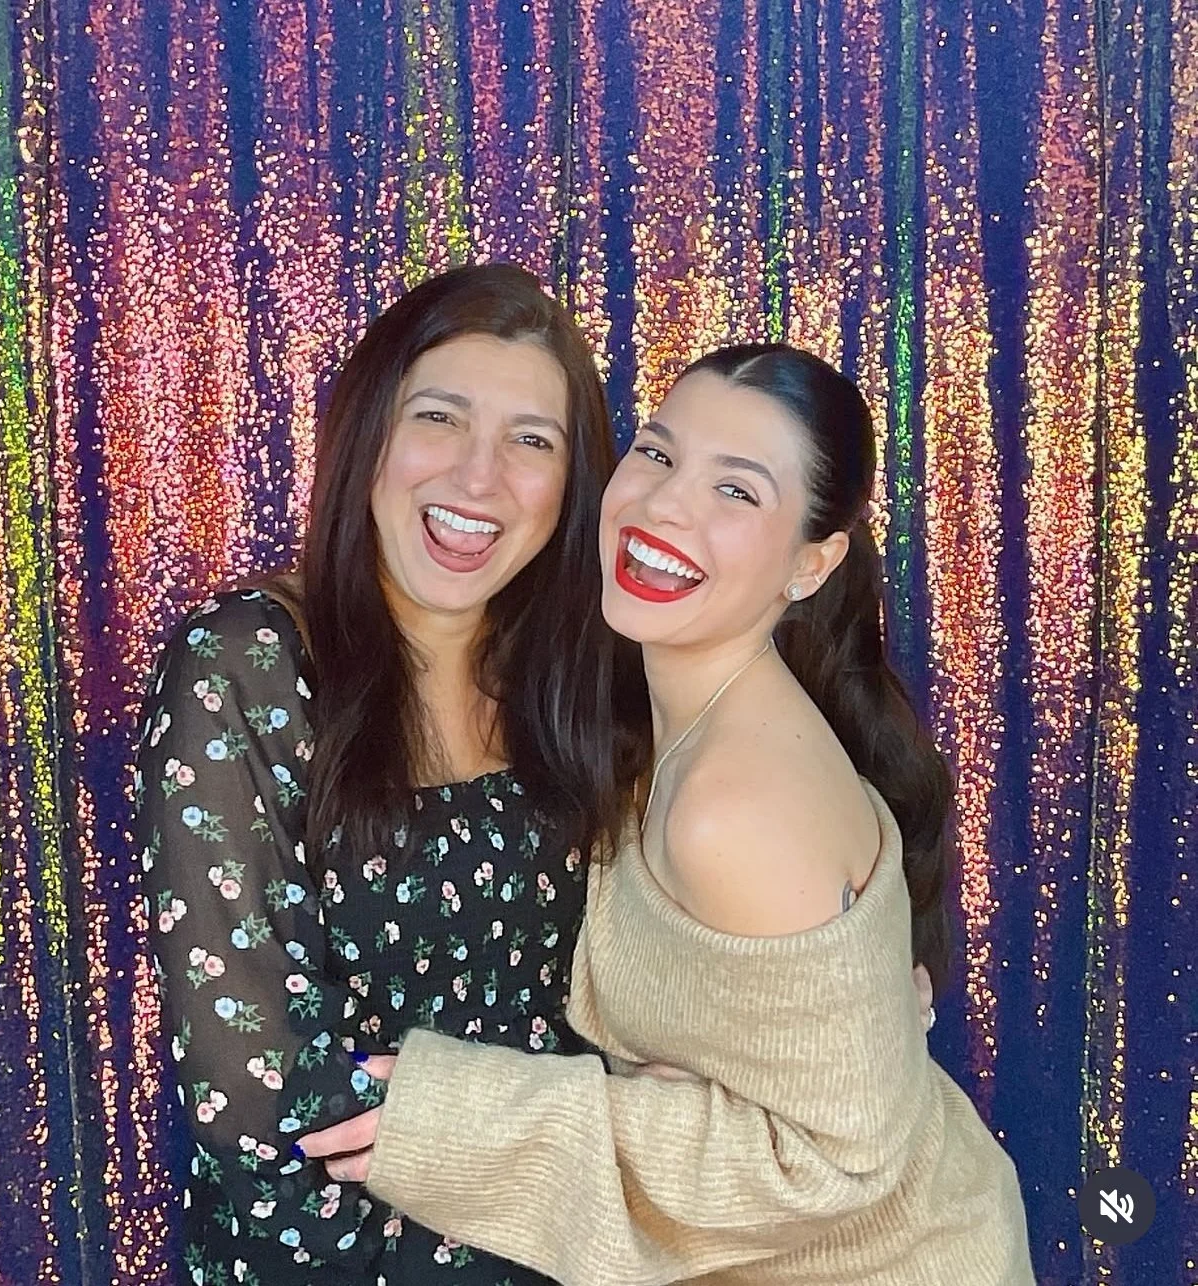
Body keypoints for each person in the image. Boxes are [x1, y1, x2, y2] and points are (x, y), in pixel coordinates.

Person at [298, 344, 1035, 1284]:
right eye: (657, 454)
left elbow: (833, 1161)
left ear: (811, 563)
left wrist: (465, 1121)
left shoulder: (730, 804)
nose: (665, 506)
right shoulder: (660, 713)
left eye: (736, 491)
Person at [134, 263, 650, 1284]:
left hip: (574, 1249)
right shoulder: (244, 665)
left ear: (573, 489)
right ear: (367, 432)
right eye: (439, 417)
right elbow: (259, 1094)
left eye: (531, 441)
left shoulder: (582, 682)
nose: (477, 477)